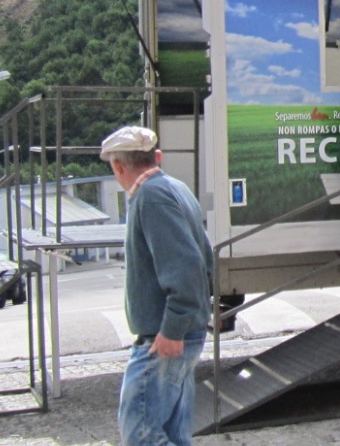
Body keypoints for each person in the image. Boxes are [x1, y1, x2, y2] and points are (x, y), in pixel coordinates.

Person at [101, 125, 214, 446]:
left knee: (140, 434)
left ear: (118, 166)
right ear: (158, 157)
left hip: (165, 335)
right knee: (174, 434)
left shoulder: (151, 197)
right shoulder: (175, 187)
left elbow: (187, 267)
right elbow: (205, 258)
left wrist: (173, 328)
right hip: (179, 330)